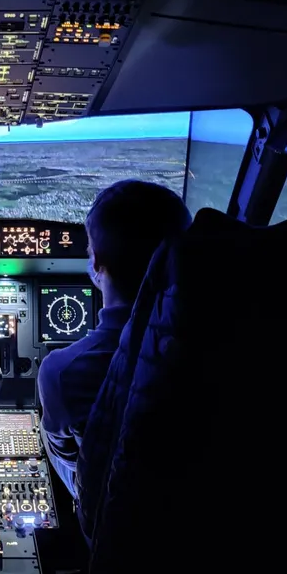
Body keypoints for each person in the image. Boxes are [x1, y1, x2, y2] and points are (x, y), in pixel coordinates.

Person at [38, 182, 287, 507]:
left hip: (126, 540)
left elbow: (80, 472)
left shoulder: (65, 372)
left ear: (96, 264)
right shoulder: (264, 340)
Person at [38, 181, 192, 501]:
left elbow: (72, 460)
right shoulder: (232, 337)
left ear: (97, 265)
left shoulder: (64, 371)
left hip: (114, 518)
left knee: (47, 432)